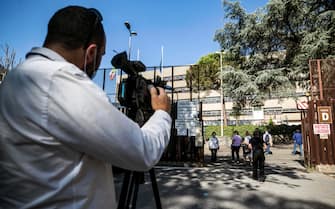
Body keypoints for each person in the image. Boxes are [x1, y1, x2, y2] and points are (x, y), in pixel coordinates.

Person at [0, 6, 172, 209]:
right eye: (102, 55)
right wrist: (162, 112)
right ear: (91, 53)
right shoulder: (61, 81)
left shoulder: (13, 79)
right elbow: (143, 152)